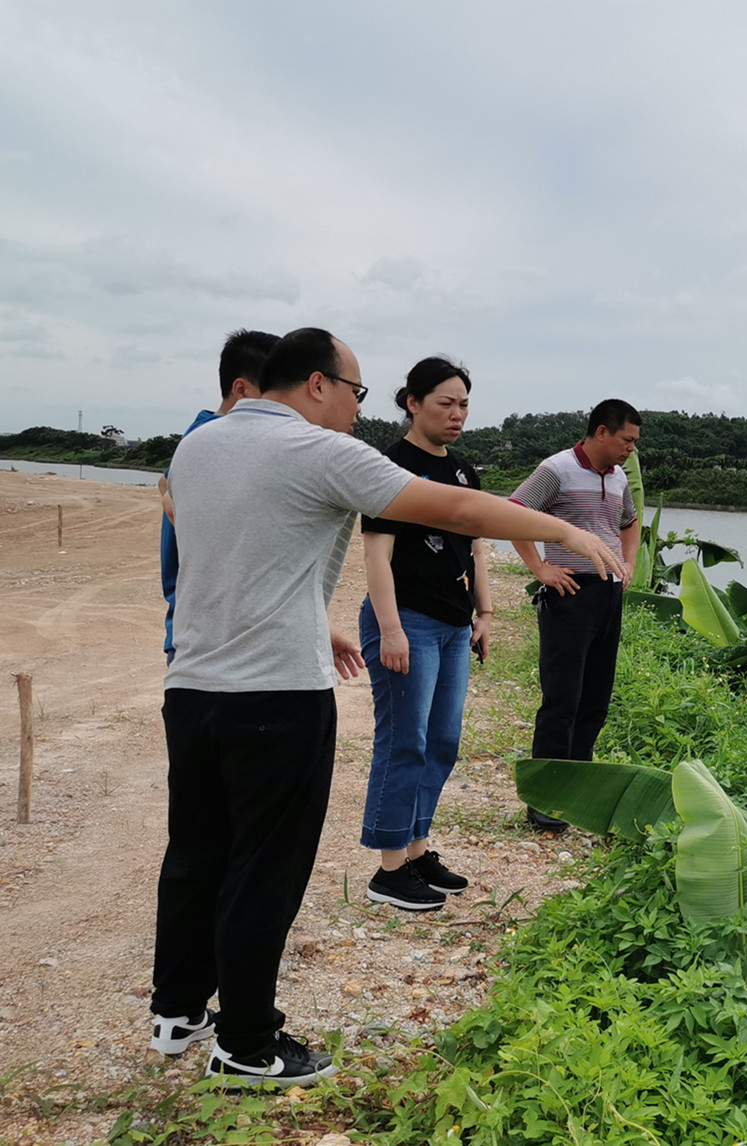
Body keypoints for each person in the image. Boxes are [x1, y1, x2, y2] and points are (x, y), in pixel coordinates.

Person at [152, 328, 626, 1088]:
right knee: (263, 869)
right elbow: (461, 514)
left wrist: (320, 618)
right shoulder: (319, 451)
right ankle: (245, 1042)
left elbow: (231, 554)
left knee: (197, 850)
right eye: (355, 390)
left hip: (194, 690)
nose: (354, 406)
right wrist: (563, 528)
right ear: (316, 384)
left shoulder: (198, 447)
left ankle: (176, 1010)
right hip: (275, 695)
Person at [357, 357, 489, 912]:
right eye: (445, 404)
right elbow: (376, 555)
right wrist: (390, 629)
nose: (456, 415)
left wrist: (484, 613)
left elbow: (477, 546)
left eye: (463, 405)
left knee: (442, 742)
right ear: (412, 402)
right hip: (406, 622)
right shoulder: (391, 467)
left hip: (455, 627)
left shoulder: (462, 471)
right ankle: (388, 870)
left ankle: (417, 850)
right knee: (403, 741)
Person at [507, 400, 641, 830]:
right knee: (562, 698)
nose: (630, 450)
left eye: (635, 443)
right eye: (627, 440)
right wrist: (540, 568)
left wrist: (629, 563)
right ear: (602, 432)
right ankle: (545, 797)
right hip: (569, 593)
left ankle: (577, 790)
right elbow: (515, 514)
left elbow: (629, 522)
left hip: (608, 594)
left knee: (596, 699)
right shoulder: (557, 469)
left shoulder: (619, 476)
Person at [158, 329, 277, 664]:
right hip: (205, 636)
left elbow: (165, 485)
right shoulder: (211, 439)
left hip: (213, 631)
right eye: (275, 391)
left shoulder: (206, 436)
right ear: (241, 389)